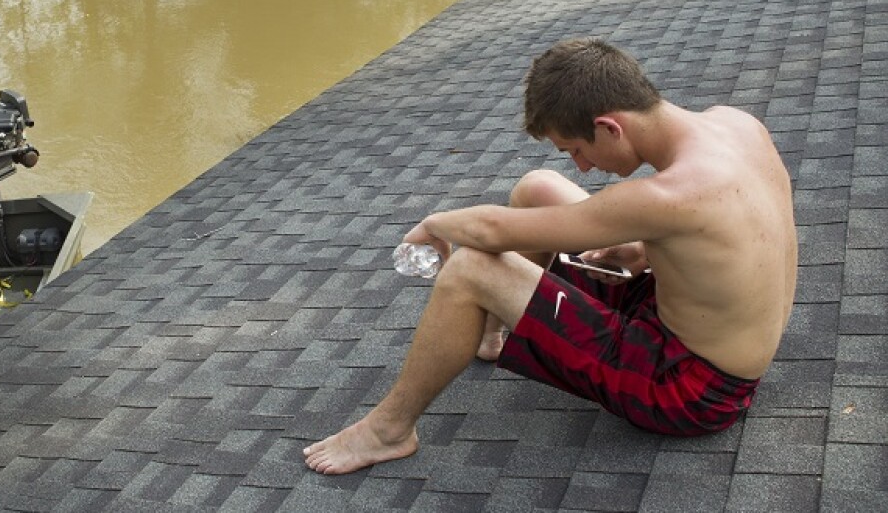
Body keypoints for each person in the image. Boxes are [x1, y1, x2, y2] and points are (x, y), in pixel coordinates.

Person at [304, 38, 798, 475]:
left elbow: (492, 230)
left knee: (471, 266)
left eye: (577, 149)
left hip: (690, 389)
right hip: (695, 323)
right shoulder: (736, 124)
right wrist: (649, 246)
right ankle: (490, 334)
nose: (581, 166)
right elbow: (728, 225)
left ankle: (389, 431)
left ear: (609, 126)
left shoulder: (663, 196)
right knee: (537, 187)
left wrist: (434, 224)